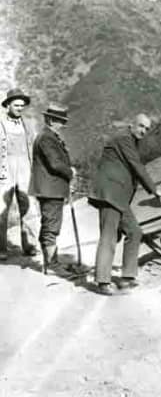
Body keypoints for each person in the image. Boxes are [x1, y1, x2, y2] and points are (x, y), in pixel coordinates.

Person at [88, 114, 161, 295]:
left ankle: (127, 278)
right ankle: (102, 282)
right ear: (131, 124)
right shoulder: (124, 138)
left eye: (146, 129)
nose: (143, 131)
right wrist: (154, 190)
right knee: (108, 236)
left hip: (119, 197)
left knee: (135, 232)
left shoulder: (130, 140)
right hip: (110, 195)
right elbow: (136, 166)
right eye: (140, 126)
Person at [28, 104, 75, 276]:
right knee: (51, 226)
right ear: (49, 119)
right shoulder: (47, 138)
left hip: (51, 188)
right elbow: (55, 164)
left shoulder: (49, 136)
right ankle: (52, 265)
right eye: (58, 120)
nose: (61, 124)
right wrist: (71, 172)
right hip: (50, 189)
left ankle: (51, 262)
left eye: (62, 121)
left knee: (50, 224)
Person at [0, 88, 38, 261]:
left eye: (22, 105)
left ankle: (29, 245)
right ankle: (1, 248)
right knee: (2, 208)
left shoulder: (29, 123)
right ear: (8, 105)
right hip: (5, 167)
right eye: (16, 105)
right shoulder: (0, 123)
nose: (20, 108)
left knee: (28, 206)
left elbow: (35, 146)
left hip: (25, 166)